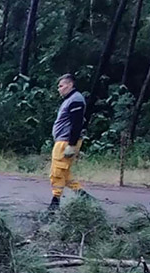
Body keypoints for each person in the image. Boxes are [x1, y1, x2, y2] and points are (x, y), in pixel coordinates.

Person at [48, 74, 87, 211]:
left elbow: (77, 123)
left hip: (65, 142)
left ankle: (55, 203)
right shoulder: (70, 100)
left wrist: (71, 144)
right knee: (64, 173)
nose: (59, 89)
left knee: (57, 172)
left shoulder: (75, 99)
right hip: (63, 140)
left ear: (70, 85)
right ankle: (84, 197)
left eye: (61, 86)